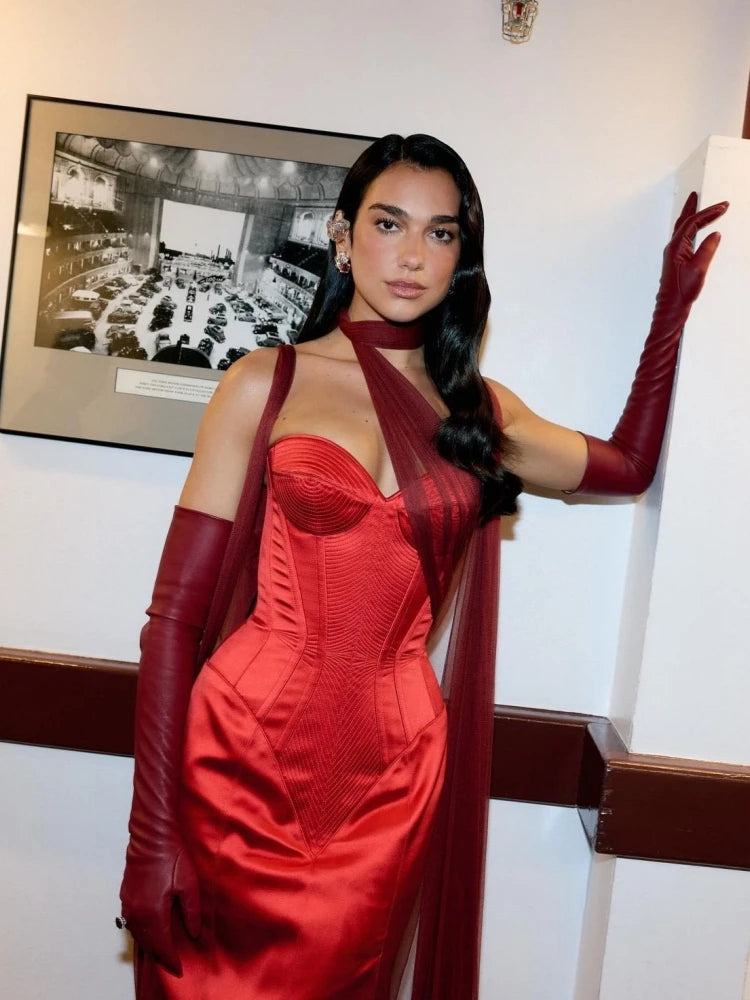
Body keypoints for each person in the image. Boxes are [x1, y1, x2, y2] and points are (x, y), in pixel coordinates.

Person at [118, 133, 727, 1000]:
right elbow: (173, 622)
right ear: (340, 233)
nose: (411, 256)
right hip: (237, 760)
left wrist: (670, 308)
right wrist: (150, 841)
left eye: (441, 234)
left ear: (462, 259)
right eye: (389, 223)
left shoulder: (479, 410)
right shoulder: (265, 382)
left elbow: (626, 464)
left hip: (391, 775)